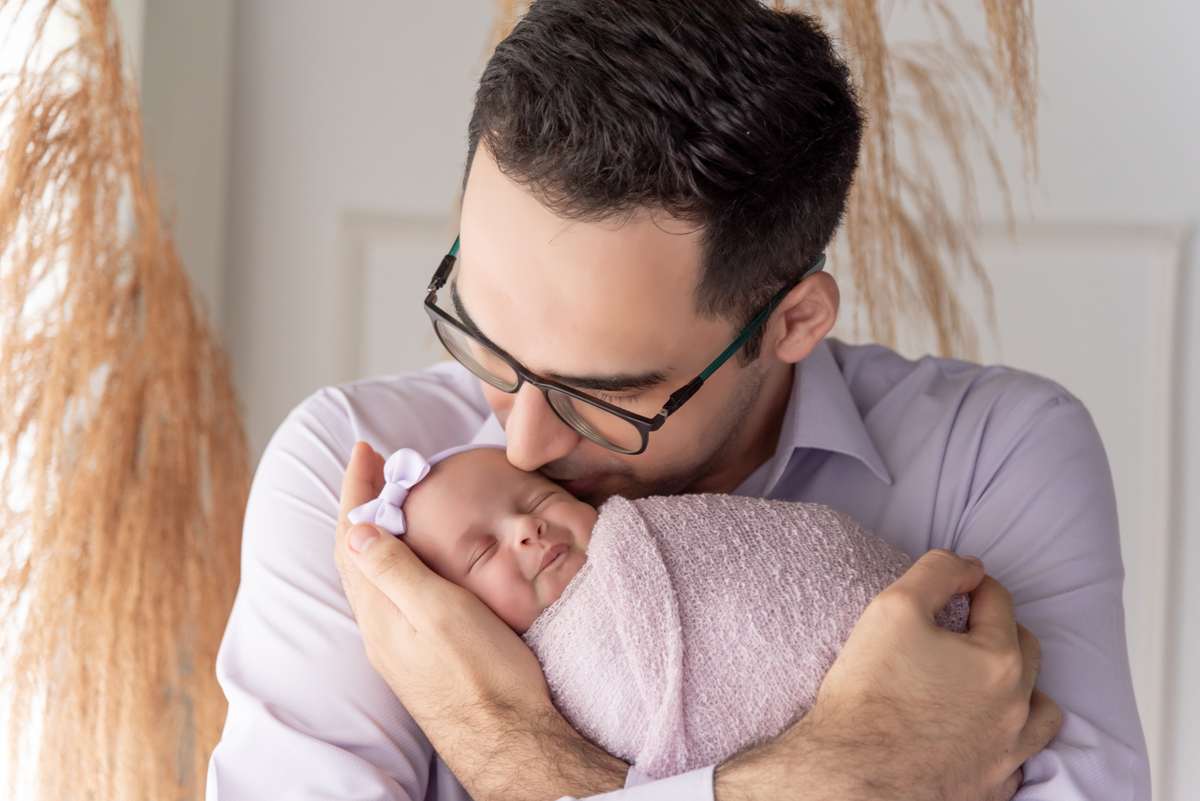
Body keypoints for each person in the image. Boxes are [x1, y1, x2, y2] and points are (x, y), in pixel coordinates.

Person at [206, 1, 1148, 799]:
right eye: (484, 336)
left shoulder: (996, 456)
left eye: (603, 395)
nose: (523, 444)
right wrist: (831, 776)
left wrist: (505, 749)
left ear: (793, 321)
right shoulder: (361, 473)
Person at [346, 443, 970, 780]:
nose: (527, 530)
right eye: (484, 551)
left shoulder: (646, 531)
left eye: (536, 499)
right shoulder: (545, 673)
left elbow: (777, 557)